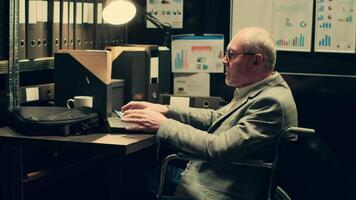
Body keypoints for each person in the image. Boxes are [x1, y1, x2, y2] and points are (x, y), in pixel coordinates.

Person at [121, 27, 298, 200]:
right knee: (142, 171)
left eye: (231, 54)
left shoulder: (270, 103)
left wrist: (163, 125)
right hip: (216, 178)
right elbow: (217, 118)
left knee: (131, 177)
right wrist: (167, 110)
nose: (224, 60)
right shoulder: (261, 90)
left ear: (256, 61)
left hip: (217, 191)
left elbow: (219, 147)